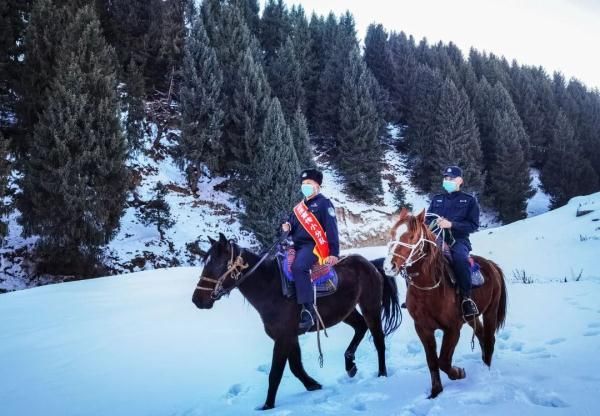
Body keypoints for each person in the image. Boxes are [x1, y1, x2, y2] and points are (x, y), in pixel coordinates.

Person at [282, 169, 340, 334]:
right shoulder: (298, 208)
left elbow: (332, 228)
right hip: (296, 245)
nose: (305, 186)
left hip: (313, 246)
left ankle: (308, 311)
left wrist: (334, 253)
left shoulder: (324, 204)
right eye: (303, 184)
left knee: (299, 268)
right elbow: (292, 227)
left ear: (317, 186)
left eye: (309, 184)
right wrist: (287, 227)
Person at [427, 166, 480, 320]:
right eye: (445, 178)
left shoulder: (469, 201)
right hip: (436, 237)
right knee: (419, 255)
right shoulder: (437, 199)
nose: (447, 181)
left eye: (451, 178)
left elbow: (473, 225)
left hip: (458, 240)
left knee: (460, 259)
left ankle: (466, 298)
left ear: (460, 181)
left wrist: (452, 225)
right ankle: (415, 293)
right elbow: (427, 219)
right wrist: (434, 222)